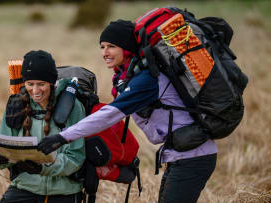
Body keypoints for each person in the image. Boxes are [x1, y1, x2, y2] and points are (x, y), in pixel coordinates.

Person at [38, 20, 218, 203]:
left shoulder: (147, 80)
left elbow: (110, 115)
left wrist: (63, 137)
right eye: (102, 47)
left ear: (127, 49)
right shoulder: (130, 78)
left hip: (194, 156)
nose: (105, 53)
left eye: (111, 46)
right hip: (181, 154)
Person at [0, 50, 86, 203]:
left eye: (41, 84)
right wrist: (0, 158)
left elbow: (76, 157)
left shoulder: (73, 107)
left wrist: (43, 168)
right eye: (30, 84)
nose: (35, 91)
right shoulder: (16, 104)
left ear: (52, 82)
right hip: (25, 187)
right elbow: (6, 148)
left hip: (64, 191)